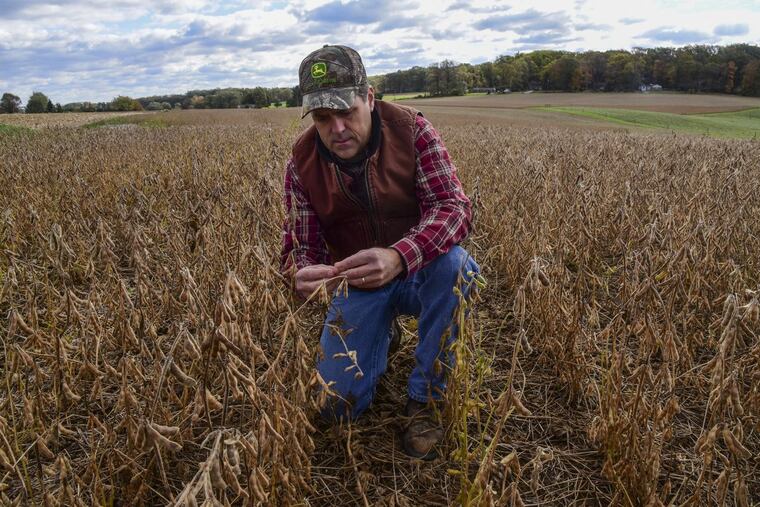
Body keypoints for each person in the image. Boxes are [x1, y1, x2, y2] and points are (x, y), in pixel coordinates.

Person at [280, 44, 478, 460]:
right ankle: (382, 335)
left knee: (458, 267)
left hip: (421, 271)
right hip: (360, 284)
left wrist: (399, 255)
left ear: (370, 97)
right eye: (321, 118)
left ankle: (426, 399)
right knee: (336, 405)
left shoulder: (412, 131)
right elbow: (302, 246)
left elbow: (454, 209)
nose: (336, 128)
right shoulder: (301, 163)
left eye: (346, 111)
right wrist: (301, 273)